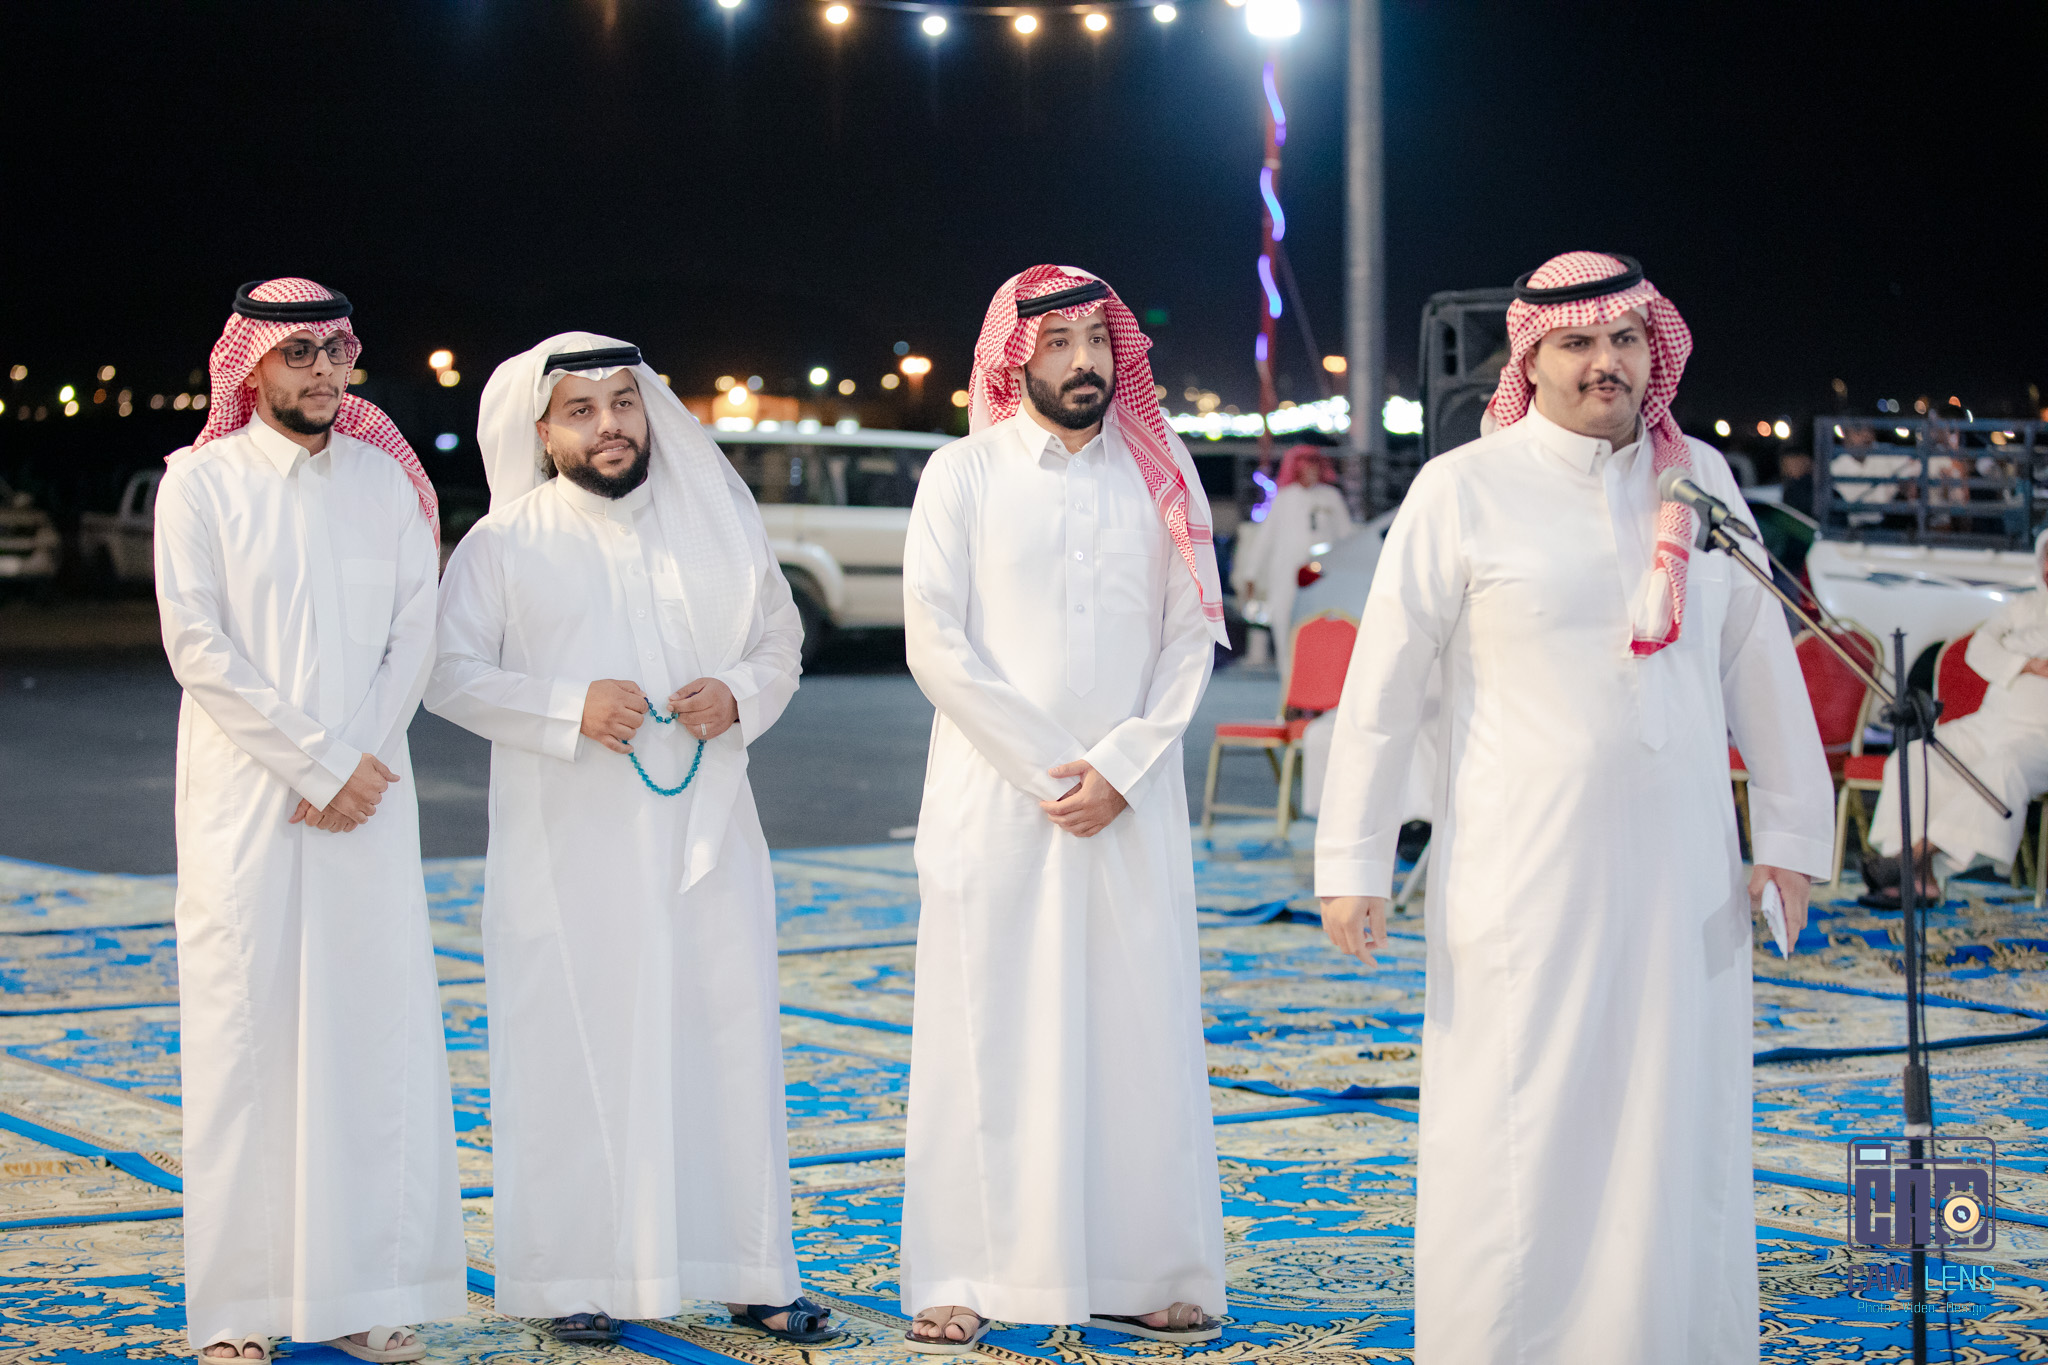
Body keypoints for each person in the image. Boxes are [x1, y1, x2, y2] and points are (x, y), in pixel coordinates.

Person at [1314, 252, 1834, 1364]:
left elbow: (1759, 663)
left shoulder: (1697, 482)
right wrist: (1355, 859)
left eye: (1626, 340)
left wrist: (1790, 838)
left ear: (1655, 350)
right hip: (1523, 877)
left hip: (1683, 874)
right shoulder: (1462, 488)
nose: (1607, 362)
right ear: (1531, 358)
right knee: (1524, 1125)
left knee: (1671, 1120)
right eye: (1579, 342)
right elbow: (1383, 688)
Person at [424, 334, 825, 1346]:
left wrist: (740, 693)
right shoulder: (503, 543)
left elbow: (778, 639)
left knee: (725, 1040)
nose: (609, 425)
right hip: (568, 853)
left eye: (623, 402)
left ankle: (749, 1271)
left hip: (708, 839)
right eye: (581, 409)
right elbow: (446, 673)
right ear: (542, 431)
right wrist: (569, 705)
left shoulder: (714, 526)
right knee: (574, 1051)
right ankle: (574, 1277)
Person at [898, 265, 1228, 1353]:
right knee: (984, 1029)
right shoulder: (962, 473)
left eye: (1098, 340)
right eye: (1058, 342)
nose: (1084, 361)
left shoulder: (1162, 469)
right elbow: (934, 641)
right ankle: (962, 1270)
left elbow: (1192, 634)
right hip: (999, 805)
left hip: (1131, 804)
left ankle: (1142, 1268)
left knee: (1133, 1028)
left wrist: (1123, 766)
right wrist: (1053, 770)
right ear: (1015, 355)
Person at [155, 278, 461, 1363]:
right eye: (302, 353)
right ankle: (236, 1309)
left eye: (337, 350)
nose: (326, 370)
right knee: (244, 1044)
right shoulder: (199, 484)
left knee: (367, 1040)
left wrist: (352, 765)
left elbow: (414, 633)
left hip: (366, 801)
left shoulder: (385, 483)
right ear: (251, 366)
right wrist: (318, 763)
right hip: (250, 805)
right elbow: (198, 647)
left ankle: (363, 1292)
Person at [1863, 527, 2048, 904]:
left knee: (2002, 768)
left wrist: (2009, 654)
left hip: (2039, 737)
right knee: (1916, 756)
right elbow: (1978, 651)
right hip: (1989, 724)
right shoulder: (2022, 607)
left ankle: (1911, 857)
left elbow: (1993, 652)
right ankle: (1919, 880)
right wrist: (2027, 664)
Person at [1236, 444, 1354, 678]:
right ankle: (1288, 683)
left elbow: (1347, 538)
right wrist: (1250, 575)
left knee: (1322, 625)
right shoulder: (1283, 499)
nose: (1310, 470)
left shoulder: (1331, 497)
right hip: (1285, 574)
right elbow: (1264, 540)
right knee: (1284, 623)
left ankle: (1320, 685)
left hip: (1322, 576)